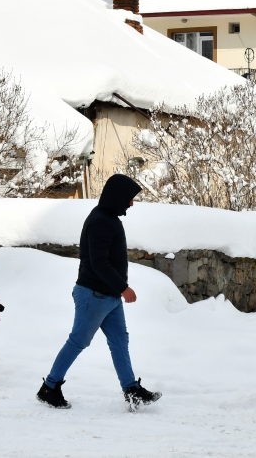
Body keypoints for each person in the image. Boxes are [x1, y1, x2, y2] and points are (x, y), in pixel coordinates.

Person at [37, 174, 162, 410]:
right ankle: (50, 388)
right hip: (93, 295)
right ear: (117, 197)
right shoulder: (101, 221)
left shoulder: (109, 219)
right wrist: (123, 288)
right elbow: (98, 262)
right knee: (78, 342)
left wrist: (117, 291)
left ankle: (131, 390)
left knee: (119, 341)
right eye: (129, 199)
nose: (131, 204)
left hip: (109, 298)